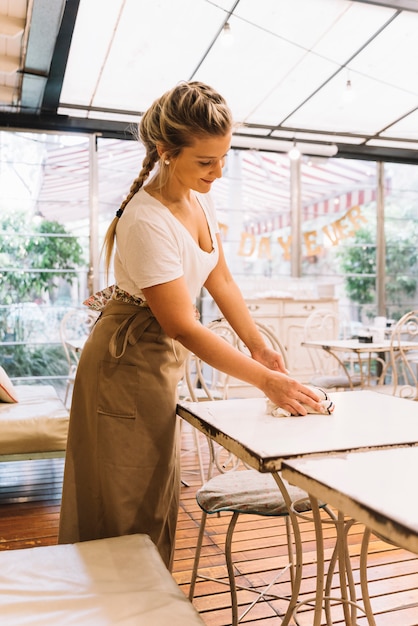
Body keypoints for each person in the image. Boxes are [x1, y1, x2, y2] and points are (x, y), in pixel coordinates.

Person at [58, 81, 324, 570]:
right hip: (125, 365)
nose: (218, 172)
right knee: (121, 501)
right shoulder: (146, 219)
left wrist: (258, 346)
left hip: (156, 361)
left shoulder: (200, 200)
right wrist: (265, 380)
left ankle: (144, 604)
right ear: (166, 152)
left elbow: (219, 276)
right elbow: (181, 324)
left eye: (223, 158)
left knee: (152, 491)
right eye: (206, 162)